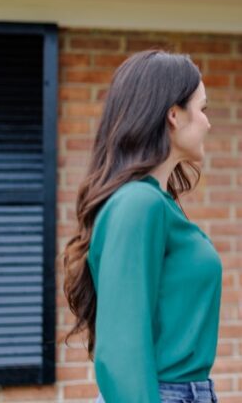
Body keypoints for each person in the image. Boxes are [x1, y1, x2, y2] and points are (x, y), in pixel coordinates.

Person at [62, 50, 221, 403]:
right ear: (173, 115)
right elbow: (121, 350)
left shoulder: (159, 203)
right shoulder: (138, 203)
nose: (208, 123)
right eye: (203, 108)